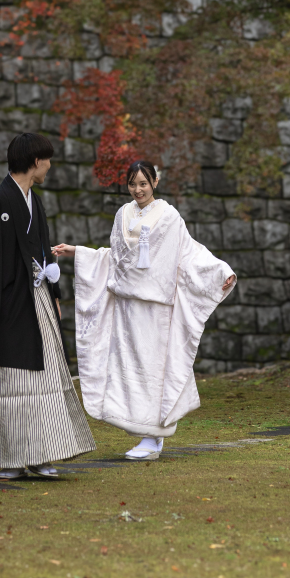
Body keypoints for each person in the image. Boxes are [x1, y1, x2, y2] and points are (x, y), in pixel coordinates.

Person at [52, 160, 237, 461]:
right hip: (127, 307)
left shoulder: (169, 216)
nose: (138, 189)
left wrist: (219, 271)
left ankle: (154, 436)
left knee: (153, 369)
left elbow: (187, 252)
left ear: (154, 183)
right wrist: (77, 252)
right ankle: (143, 432)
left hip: (156, 308)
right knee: (130, 370)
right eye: (132, 184)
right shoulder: (122, 214)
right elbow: (115, 258)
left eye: (143, 183)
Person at [0, 132, 95, 478]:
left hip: (35, 299)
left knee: (43, 378)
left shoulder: (34, 202)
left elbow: (42, 251)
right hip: (5, 302)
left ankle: (42, 455)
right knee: (8, 380)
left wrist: (54, 297)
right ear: (35, 162)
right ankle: (10, 459)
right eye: (47, 160)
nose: (50, 165)